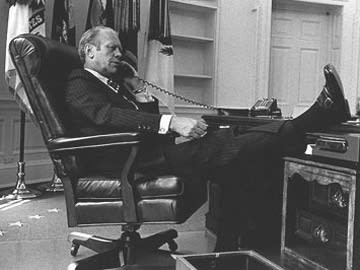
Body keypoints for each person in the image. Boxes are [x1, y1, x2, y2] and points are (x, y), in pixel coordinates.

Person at [64, 25, 351, 252]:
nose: (119, 54)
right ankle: (316, 117)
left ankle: (227, 245)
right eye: (112, 48)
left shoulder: (113, 85)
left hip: (143, 155)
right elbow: (106, 117)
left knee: (233, 150)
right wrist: (172, 122)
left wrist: (137, 89)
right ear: (90, 51)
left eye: (120, 49)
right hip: (123, 162)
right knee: (232, 149)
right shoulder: (79, 81)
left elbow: (134, 119)